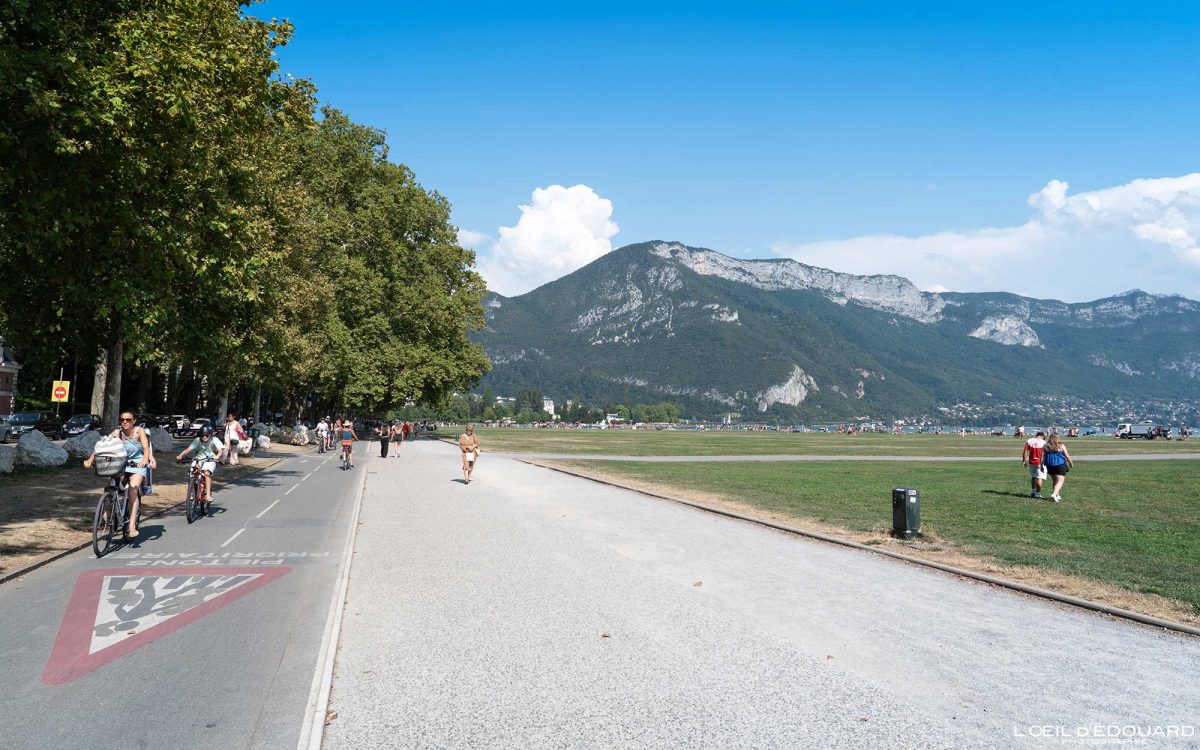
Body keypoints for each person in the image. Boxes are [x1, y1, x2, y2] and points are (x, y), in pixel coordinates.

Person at [83, 409, 156, 538]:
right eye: (122, 420)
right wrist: (90, 459)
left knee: (133, 489)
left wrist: (145, 459)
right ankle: (108, 515)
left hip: (137, 463)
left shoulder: (139, 431)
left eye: (128, 420)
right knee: (111, 488)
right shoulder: (117, 432)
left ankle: (132, 526)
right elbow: (103, 446)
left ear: (134, 421)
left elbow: (145, 447)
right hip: (121, 463)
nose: (125, 422)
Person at [176, 426, 223, 505]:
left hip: (210, 460)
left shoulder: (214, 440)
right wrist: (180, 455)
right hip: (198, 459)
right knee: (192, 471)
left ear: (210, 435)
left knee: (207, 473)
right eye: (202, 435)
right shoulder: (197, 440)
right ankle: (192, 492)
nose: (204, 437)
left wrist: (217, 456)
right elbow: (189, 449)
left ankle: (208, 495)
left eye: (206, 435)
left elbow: (220, 450)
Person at [1041, 433, 1073, 502]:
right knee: (1060, 481)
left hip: (1049, 465)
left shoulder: (1045, 446)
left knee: (1055, 481)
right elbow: (1067, 456)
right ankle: (1054, 494)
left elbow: (1042, 457)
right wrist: (1071, 462)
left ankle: (1057, 495)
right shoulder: (1061, 446)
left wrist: (1041, 466)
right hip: (1059, 465)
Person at [1022, 430, 1048, 499]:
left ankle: (1033, 491)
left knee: (1034, 476)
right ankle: (1038, 493)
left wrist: (1024, 461)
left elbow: (1025, 451)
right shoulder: (1044, 442)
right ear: (1043, 436)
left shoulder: (1029, 440)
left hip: (1032, 461)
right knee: (1040, 477)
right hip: (1040, 462)